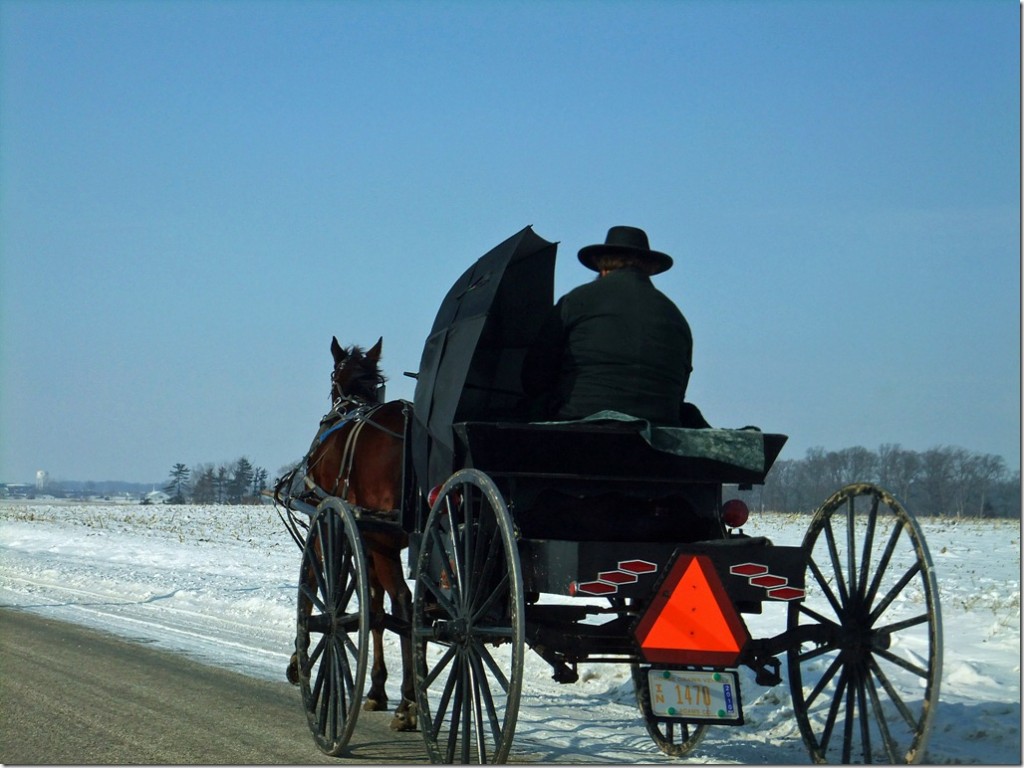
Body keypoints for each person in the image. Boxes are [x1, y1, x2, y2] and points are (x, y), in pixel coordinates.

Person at [522, 225, 709, 428]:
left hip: (577, 425)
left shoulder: (576, 300)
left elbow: (534, 377)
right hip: (657, 429)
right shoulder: (675, 316)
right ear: (649, 267)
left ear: (602, 266)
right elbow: (679, 390)